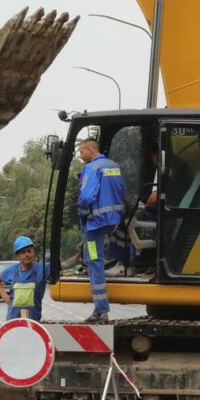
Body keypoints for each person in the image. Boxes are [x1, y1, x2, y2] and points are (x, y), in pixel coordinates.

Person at [76, 138, 126, 324]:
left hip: (95, 224)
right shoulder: (114, 166)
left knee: (94, 261)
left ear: (91, 150)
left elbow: (86, 196)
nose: (81, 156)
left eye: (82, 152)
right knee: (104, 255)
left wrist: (81, 213)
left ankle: (101, 310)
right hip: (113, 220)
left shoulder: (91, 168)